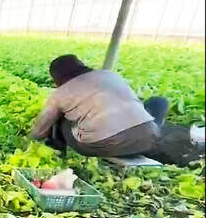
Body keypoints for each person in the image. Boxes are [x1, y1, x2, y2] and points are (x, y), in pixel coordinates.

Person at [31, 54, 168, 158]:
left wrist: (29, 141)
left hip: (101, 146)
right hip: (148, 140)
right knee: (158, 101)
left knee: (60, 116)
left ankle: (58, 151)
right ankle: (150, 139)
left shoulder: (61, 93)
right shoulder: (111, 75)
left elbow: (39, 131)